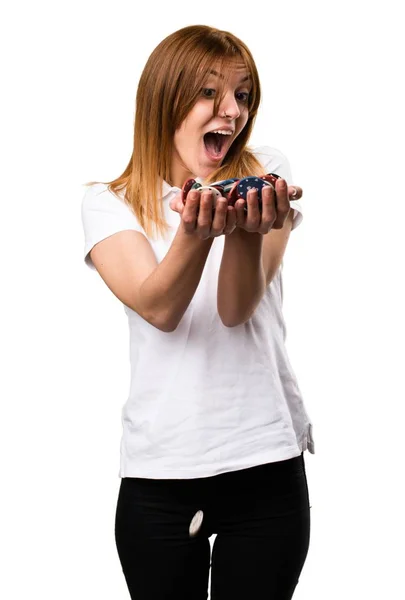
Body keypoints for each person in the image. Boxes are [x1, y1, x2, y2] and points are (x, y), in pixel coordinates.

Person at [81, 24, 315, 600]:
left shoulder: (268, 174)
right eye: (210, 92)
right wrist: (196, 229)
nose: (231, 111)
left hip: (265, 461)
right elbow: (160, 306)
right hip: (160, 474)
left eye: (242, 94)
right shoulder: (109, 203)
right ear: (165, 98)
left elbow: (236, 309)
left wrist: (240, 231)